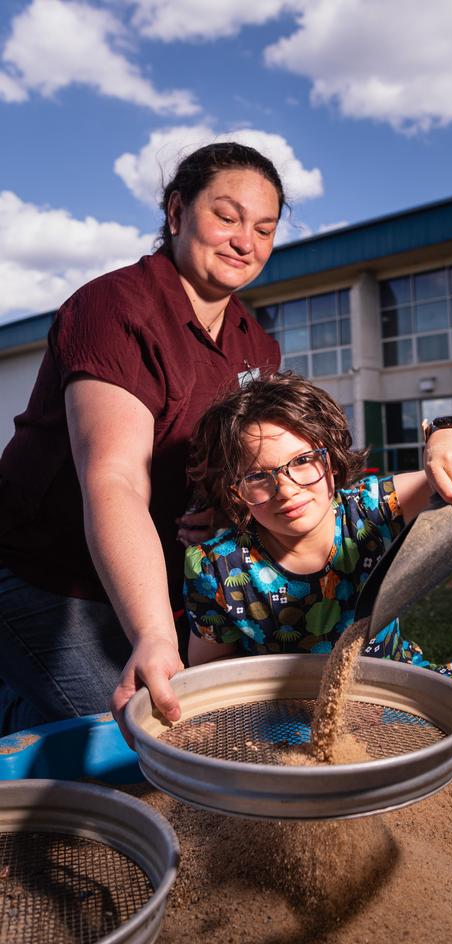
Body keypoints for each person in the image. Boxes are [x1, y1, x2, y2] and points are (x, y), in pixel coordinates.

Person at [0, 142, 285, 738]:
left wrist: (228, 510)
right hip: (43, 569)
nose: (245, 241)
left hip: (159, 575)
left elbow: (256, 463)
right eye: (226, 217)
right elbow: (117, 476)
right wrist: (154, 634)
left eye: (264, 227)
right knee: (132, 737)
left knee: (206, 723)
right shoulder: (114, 307)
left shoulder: (256, 343)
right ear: (177, 213)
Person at [182, 371, 452, 674]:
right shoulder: (215, 569)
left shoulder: (372, 509)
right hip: (280, 714)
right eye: (258, 476)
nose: (286, 490)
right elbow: (210, 669)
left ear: (331, 461)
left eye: (303, 460)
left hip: (396, 690)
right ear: (234, 491)